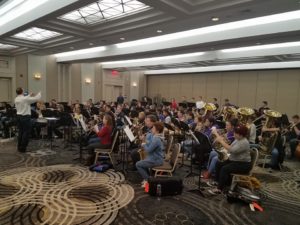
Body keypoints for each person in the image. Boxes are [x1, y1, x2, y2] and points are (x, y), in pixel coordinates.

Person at [208, 125, 252, 194]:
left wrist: (221, 141)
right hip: (235, 160)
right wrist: (224, 139)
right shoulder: (238, 139)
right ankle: (217, 181)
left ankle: (219, 189)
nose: (234, 134)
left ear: (241, 135)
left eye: (235, 133)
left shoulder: (244, 142)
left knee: (225, 169)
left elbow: (231, 150)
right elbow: (230, 146)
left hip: (243, 164)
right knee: (219, 163)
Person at [136, 122, 165, 187]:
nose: (152, 129)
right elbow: (150, 144)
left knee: (138, 164)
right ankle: (148, 178)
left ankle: (148, 180)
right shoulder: (156, 137)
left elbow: (148, 150)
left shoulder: (156, 139)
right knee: (143, 164)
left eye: (153, 128)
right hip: (155, 158)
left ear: (157, 130)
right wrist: (145, 140)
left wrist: (143, 143)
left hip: (156, 160)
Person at [14, 87, 41, 152]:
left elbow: (24, 99)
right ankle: (23, 148)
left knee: (21, 132)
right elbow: (36, 98)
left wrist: (29, 95)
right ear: (22, 91)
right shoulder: (25, 99)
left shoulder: (16, 98)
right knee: (26, 132)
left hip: (19, 116)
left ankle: (19, 146)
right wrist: (40, 93)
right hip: (25, 117)